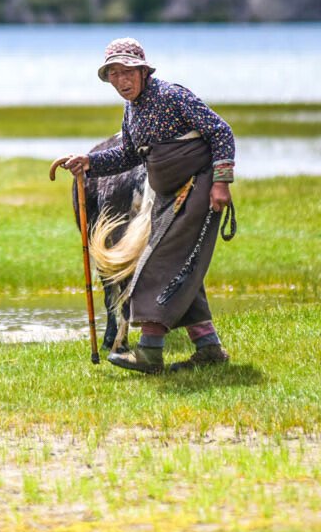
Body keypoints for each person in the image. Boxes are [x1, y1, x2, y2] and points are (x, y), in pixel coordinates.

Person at [61, 38, 235, 373]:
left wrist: (221, 182)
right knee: (182, 269)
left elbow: (221, 131)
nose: (121, 81)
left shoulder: (172, 95)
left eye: (126, 72)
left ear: (143, 70)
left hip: (198, 187)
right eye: (113, 74)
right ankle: (209, 346)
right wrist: (89, 162)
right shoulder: (132, 110)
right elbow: (126, 155)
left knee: (156, 265)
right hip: (169, 195)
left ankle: (149, 352)